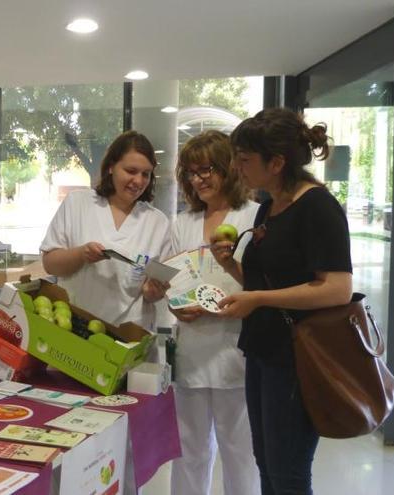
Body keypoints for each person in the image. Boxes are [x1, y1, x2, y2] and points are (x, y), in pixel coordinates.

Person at [211, 108, 353, 494]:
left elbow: (337, 288)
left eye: (244, 160)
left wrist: (257, 298)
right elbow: (265, 285)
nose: (237, 169)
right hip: (264, 350)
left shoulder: (318, 207)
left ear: (277, 162)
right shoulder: (268, 207)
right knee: (267, 464)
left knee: (288, 471)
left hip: (299, 358)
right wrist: (231, 268)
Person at [169, 131, 260, 495]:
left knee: (240, 451)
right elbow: (175, 280)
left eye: (206, 169)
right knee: (188, 450)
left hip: (236, 349)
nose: (199, 179)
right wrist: (175, 305)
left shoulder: (253, 216)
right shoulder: (184, 223)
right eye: (191, 173)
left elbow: (262, 281)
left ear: (228, 167)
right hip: (192, 350)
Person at [40, 130, 171, 332]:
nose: (138, 181)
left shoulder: (157, 222)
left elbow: (153, 291)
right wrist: (81, 253)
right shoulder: (78, 204)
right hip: (76, 327)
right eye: (131, 171)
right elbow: (50, 265)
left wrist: (152, 291)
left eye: (146, 174)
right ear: (111, 167)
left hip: (130, 335)